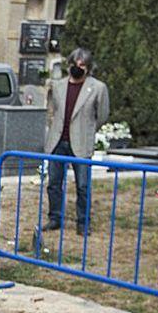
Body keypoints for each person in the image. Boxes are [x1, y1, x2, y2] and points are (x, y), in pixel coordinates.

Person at [45, 48, 110, 235]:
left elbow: (102, 115)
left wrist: (87, 130)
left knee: (82, 186)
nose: (77, 68)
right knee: (54, 183)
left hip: (81, 143)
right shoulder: (58, 86)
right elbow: (51, 111)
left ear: (88, 68)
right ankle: (55, 218)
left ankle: (83, 223)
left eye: (81, 65)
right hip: (58, 142)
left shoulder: (98, 88)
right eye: (74, 64)